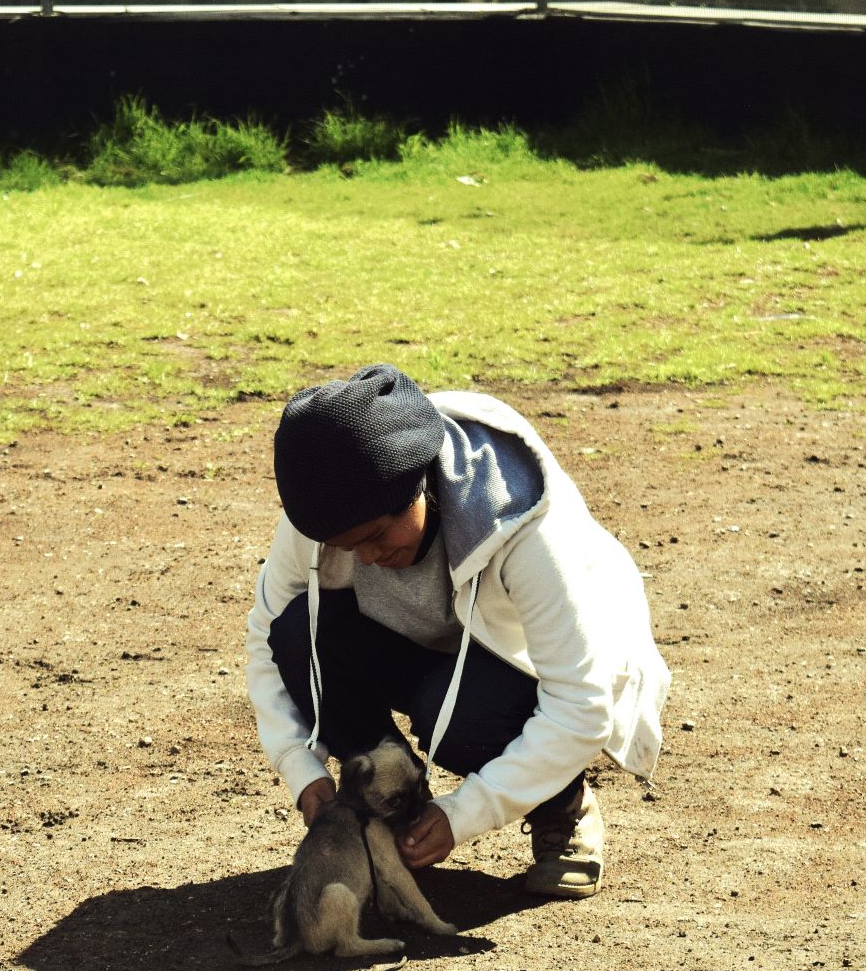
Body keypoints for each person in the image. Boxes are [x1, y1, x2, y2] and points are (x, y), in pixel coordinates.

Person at [243, 364, 671, 897]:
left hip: (524, 666)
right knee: (296, 632)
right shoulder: (328, 512)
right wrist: (301, 769)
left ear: (418, 483)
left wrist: (464, 814)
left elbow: (581, 705)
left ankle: (562, 804)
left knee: (458, 718)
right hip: (414, 644)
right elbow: (267, 636)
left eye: (377, 536)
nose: (369, 558)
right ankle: (389, 819)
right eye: (350, 548)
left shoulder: (527, 527)